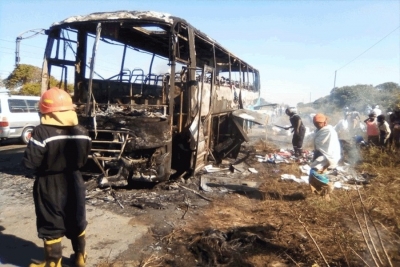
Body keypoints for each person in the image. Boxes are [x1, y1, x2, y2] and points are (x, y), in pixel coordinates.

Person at [23, 87, 92, 267]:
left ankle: (53, 263)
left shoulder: (41, 132)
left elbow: (30, 163)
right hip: (75, 180)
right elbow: (84, 159)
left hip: (49, 183)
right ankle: (80, 258)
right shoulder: (82, 131)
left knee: (51, 222)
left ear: (46, 111)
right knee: (76, 218)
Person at [309, 113, 341, 201]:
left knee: (314, 173)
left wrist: (318, 154)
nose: (316, 125)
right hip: (321, 155)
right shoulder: (319, 130)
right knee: (316, 174)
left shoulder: (328, 131)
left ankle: (329, 186)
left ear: (324, 122)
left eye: (318, 123)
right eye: (315, 123)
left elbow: (325, 145)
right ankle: (325, 196)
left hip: (327, 155)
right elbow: (317, 144)